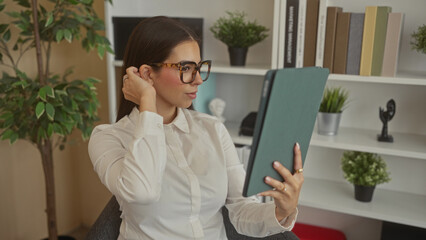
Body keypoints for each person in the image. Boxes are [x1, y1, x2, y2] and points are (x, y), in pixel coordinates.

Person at [88, 16, 304, 240]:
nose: (199, 79)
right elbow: (143, 191)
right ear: (147, 74)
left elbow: (241, 211)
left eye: (199, 67)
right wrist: (147, 102)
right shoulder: (108, 138)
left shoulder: (213, 129)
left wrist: (282, 211)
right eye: (186, 68)